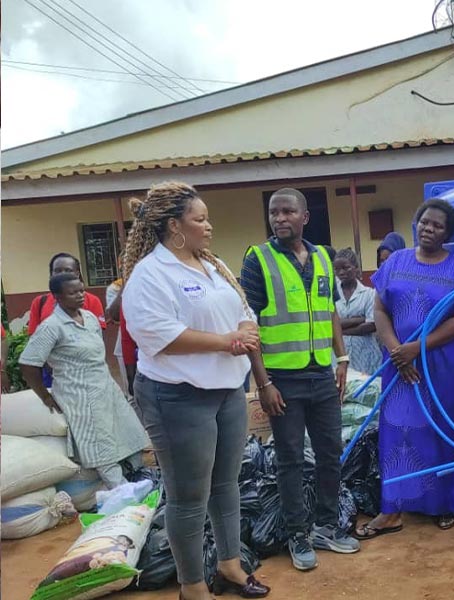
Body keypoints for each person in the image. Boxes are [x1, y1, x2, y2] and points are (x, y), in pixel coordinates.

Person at [122, 182, 269, 600]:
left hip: (226, 391)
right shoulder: (150, 275)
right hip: (178, 397)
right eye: (200, 219)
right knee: (188, 496)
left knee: (227, 484)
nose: (209, 226)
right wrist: (226, 341)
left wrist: (244, 330)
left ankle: (229, 567)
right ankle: (193, 587)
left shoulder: (213, 264)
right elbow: (158, 335)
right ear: (174, 225)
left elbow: (244, 310)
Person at [241, 188, 360, 572]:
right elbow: (249, 326)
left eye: (288, 211)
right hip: (282, 379)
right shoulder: (257, 259)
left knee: (330, 453)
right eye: (274, 213)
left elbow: (330, 314)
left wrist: (341, 358)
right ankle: (297, 533)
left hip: (321, 375)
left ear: (304, 217)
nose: (279, 219)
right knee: (289, 459)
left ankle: (326, 525)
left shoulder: (324, 256)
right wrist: (263, 384)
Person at [355, 199, 454, 539]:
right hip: (397, 363)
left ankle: (443, 505)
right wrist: (397, 350)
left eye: (437, 225)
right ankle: (391, 509)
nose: (429, 229)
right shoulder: (396, 261)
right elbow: (380, 310)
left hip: (440, 364)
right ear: (416, 224)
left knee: (440, 430)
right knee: (397, 433)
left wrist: (416, 348)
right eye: (425, 222)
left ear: (447, 233)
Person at [18, 273, 148, 489]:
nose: (79, 295)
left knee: (130, 433)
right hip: (79, 395)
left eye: (81, 290)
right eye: (72, 292)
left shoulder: (89, 317)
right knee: (100, 446)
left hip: (105, 386)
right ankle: (123, 493)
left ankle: (138, 479)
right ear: (57, 297)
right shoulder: (52, 327)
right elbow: (28, 364)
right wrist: (45, 396)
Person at [28, 253, 107, 388]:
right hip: (51, 373)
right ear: (51, 274)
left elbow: (98, 338)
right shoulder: (39, 302)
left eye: (68, 270)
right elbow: (35, 339)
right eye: (57, 271)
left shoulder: (92, 301)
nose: (62, 274)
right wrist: (49, 365)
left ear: (77, 273)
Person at [334, 247, 382, 375]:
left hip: (366, 356)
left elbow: (371, 326)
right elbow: (329, 322)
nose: (341, 272)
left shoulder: (369, 294)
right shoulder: (332, 295)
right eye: (337, 269)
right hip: (339, 354)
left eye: (346, 268)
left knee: (367, 390)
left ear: (356, 267)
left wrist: (338, 330)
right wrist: (360, 319)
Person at [105, 254, 129, 395]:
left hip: (153, 345)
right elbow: (115, 317)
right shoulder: (114, 288)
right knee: (131, 393)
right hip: (125, 344)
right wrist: (126, 283)